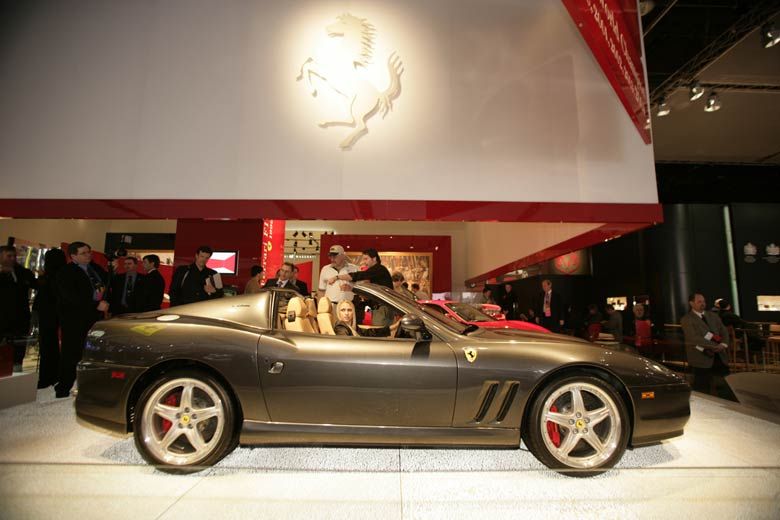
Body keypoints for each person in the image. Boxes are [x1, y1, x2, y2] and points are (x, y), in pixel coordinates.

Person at [55, 242, 109, 398]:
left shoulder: (94, 269)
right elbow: (71, 297)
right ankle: (63, 387)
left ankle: (88, 386)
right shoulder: (65, 272)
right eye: (84, 253)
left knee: (92, 353)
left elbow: (106, 282)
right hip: (75, 320)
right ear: (73, 256)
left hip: (94, 318)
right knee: (71, 353)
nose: (88, 255)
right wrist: (95, 305)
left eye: (89, 252)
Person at [329, 248, 393, 326]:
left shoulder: (379, 269)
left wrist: (337, 277)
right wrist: (351, 289)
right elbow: (367, 294)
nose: (364, 262)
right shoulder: (375, 272)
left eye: (366, 259)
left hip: (383, 310)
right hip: (376, 308)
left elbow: (358, 275)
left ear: (374, 258)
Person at [681, 293, 730, 395]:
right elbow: (693, 338)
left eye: (704, 301)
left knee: (725, 387)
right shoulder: (687, 319)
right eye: (699, 302)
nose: (703, 304)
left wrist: (724, 344)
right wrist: (714, 346)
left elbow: (724, 331)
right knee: (702, 389)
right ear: (691, 303)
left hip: (720, 357)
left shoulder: (713, 316)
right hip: (701, 359)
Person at [32, 248, 67, 388]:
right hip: (59, 311)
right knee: (58, 345)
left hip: (47, 312)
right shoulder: (63, 274)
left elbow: (42, 297)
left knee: (47, 344)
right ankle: (56, 374)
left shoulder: (48, 277)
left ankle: (47, 376)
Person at [0, 245, 37, 372]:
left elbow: (35, 284)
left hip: (20, 317)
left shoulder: (22, 272)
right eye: (8, 256)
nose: (12, 259)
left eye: (14, 256)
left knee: (18, 347)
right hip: (2, 317)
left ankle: (16, 369)